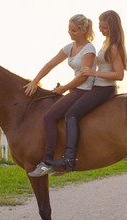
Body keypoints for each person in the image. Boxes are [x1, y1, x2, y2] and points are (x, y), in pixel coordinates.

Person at [24, 14, 96, 177]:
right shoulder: (69, 47)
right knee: (57, 118)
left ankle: (47, 162)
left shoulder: (89, 50)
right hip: (75, 88)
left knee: (48, 117)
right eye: (69, 29)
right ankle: (61, 160)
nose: (70, 33)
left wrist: (64, 88)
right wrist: (35, 81)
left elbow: (84, 76)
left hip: (84, 89)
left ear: (83, 30)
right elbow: (50, 64)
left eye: (74, 30)